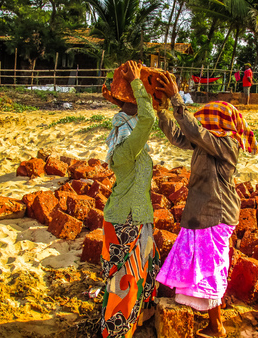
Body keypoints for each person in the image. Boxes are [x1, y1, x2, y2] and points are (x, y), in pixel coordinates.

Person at [155, 72, 258, 338]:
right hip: (202, 213)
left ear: (217, 123)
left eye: (205, 121)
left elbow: (195, 131)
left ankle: (218, 327)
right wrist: (162, 111)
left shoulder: (225, 144)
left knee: (210, 270)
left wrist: (177, 99)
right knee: (202, 267)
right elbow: (180, 137)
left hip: (216, 213)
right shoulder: (207, 143)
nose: (202, 125)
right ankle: (209, 321)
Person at [100, 60, 160, 338]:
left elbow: (149, 117)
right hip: (126, 221)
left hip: (136, 218)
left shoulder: (129, 142)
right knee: (123, 285)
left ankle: (134, 324)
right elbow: (149, 119)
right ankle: (114, 333)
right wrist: (137, 83)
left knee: (141, 274)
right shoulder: (127, 146)